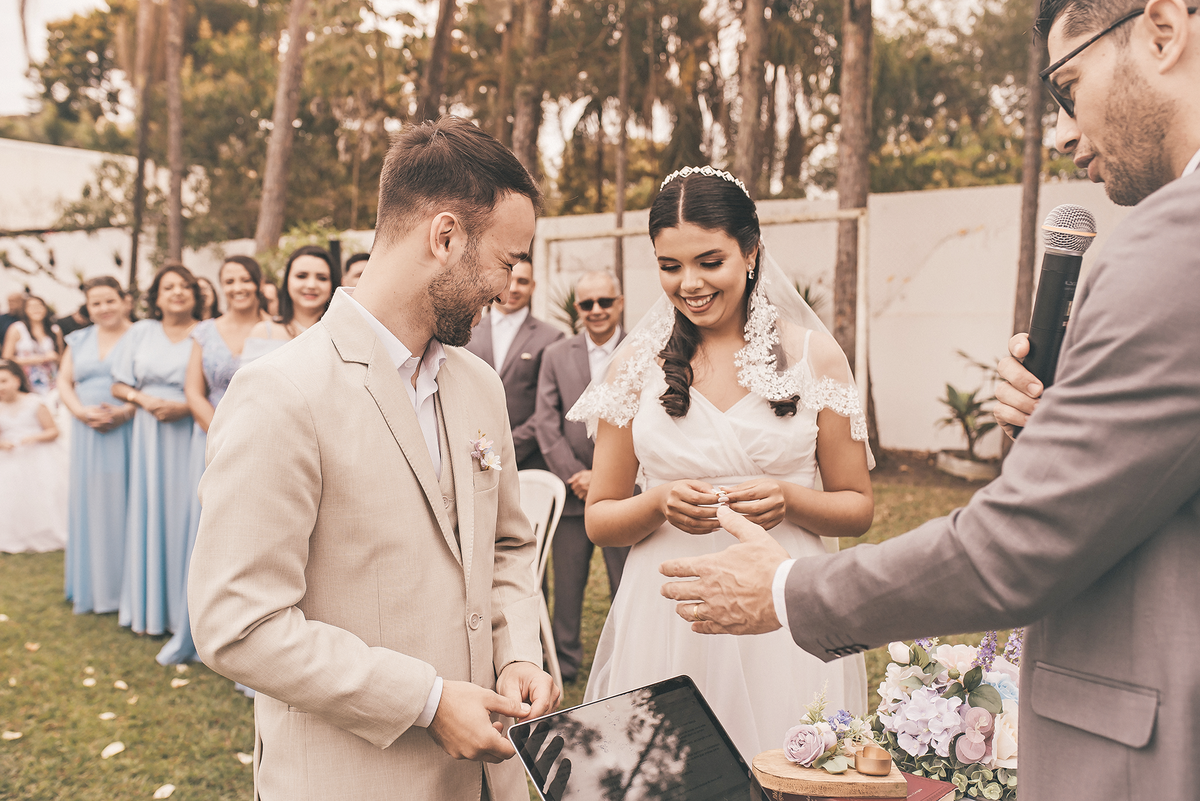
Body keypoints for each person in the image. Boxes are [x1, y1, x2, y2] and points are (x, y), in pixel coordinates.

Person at [659, 1, 1200, 797]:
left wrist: (785, 589)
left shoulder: (1176, 242)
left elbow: (1019, 543)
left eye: (1067, 87)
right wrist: (1067, 420)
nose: (1061, 133)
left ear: (1162, 30)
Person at [188, 116, 557, 801]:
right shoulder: (282, 392)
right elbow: (237, 623)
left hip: (489, 780)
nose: (507, 287)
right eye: (507, 262)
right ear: (445, 238)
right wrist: (426, 700)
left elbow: (507, 545)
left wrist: (519, 655)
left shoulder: (480, 384)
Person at [567, 167, 873, 759]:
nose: (690, 284)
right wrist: (657, 502)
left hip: (779, 605)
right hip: (670, 611)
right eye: (670, 265)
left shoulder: (815, 357)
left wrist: (791, 500)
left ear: (751, 252)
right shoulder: (632, 367)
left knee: (784, 766)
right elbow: (600, 518)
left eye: (710, 261)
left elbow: (857, 507)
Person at [157, 256, 270, 666]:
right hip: (209, 442)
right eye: (230, 280)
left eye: (245, 279)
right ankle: (197, 628)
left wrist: (246, 438)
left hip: (264, 441)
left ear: (258, 283)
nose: (238, 287)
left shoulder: (275, 328)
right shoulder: (204, 332)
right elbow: (193, 390)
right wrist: (221, 436)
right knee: (205, 532)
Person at [531, 270, 630, 683]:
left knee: (626, 584)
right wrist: (576, 476)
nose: (597, 310)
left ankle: (628, 659)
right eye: (587, 304)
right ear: (577, 309)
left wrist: (607, 479)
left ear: (619, 303)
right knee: (568, 587)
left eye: (604, 302)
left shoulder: (644, 347)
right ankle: (566, 664)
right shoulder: (556, 354)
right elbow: (546, 423)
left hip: (626, 496)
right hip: (574, 495)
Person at [111, 264, 201, 636]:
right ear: (157, 297)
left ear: (195, 294)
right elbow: (118, 384)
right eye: (169, 287)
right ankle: (149, 609)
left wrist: (187, 407)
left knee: (189, 514)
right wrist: (144, 400)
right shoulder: (141, 332)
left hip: (191, 429)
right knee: (151, 510)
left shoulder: (206, 332)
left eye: (185, 286)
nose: (177, 292)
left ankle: (187, 614)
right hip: (149, 434)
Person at [58, 277, 135, 615]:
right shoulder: (78, 339)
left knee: (124, 501)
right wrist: (80, 412)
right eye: (96, 303)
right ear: (87, 308)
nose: (104, 308)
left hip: (128, 428)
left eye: (109, 300)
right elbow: (64, 381)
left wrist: (125, 412)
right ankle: (92, 585)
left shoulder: (141, 335)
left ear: (124, 301)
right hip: (87, 430)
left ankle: (126, 588)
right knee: (91, 502)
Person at [465, 259, 563, 471]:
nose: (515, 288)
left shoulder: (552, 338)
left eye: (523, 281)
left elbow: (549, 409)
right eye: (508, 280)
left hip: (528, 461)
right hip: (469, 456)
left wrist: (506, 448)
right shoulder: (466, 333)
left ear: (533, 287)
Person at [0, 359, 67, 553]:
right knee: (11, 497)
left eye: (4, 381)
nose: (1, 387)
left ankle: (45, 531)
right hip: (10, 457)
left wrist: (34, 437)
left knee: (44, 495)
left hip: (39, 455)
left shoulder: (34, 402)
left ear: (16, 381)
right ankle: (15, 535)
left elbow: (53, 431)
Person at [246, 245, 339, 344]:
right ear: (287, 281)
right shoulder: (264, 332)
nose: (311, 285)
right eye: (301, 276)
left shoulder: (343, 334)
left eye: (322, 278)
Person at [2, 295, 63, 396]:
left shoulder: (55, 330)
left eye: (39, 306)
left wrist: (55, 357)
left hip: (52, 381)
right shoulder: (17, 329)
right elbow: (7, 359)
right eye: (31, 307)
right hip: (27, 381)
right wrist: (37, 359)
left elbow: (62, 359)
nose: (36, 309)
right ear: (25, 310)